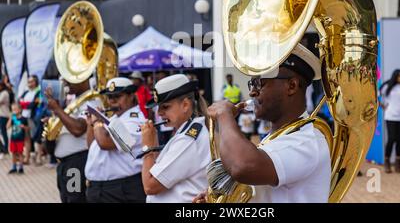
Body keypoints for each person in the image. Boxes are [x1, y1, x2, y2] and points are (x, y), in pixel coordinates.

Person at [196, 43, 330, 203]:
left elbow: (243, 166)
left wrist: (225, 115)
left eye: (260, 83)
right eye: (252, 84)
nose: (252, 92)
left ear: (291, 86)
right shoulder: (279, 136)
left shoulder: (306, 141)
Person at [141, 74, 211, 203]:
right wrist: (153, 144)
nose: (159, 113)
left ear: (185, 105)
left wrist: (147, 149)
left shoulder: (188, 139)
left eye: (165, 107)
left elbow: (150, 186)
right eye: (158, 107)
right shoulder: (185, 131)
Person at [84, 77, 146, 203]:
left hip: (120, 190)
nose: (113, 101)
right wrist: (91, 124)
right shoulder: (114, 119)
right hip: (101, 189)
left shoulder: (135, 121)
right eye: (110, 97)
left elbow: (105, 143)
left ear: (131, 96)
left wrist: (97, 122)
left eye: (118, 96)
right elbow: (92, 145)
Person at [44, 78, 101, 203]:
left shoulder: (91, 102)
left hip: (75, 164)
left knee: (75, 199)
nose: (66, 83)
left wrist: (57, 109)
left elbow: (78, 129)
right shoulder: (75, 102)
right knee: (66, 198)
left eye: (71, 79)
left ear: (84, 79)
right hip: (65, 165)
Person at [19, 75, 45, 165]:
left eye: (31, 81)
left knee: (37, 137)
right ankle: (27, 157)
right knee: (26, 138)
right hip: (24, 116)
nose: (29, 83)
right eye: (28, 81)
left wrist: (25, 104)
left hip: (34, 117)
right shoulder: (26, 92)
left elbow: (34, 104)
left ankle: (39, 158)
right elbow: (20, 102)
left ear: (35, 82)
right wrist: (26, 104)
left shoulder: (39, 92)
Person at [7, 103, 28, 174]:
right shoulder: (13, 119)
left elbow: (28, 128)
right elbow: (7, 127)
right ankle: (14, 167)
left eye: (15, 109)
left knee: (20, 153)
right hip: (13, 139)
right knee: (13, 153)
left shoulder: (23, 119)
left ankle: (21, 167)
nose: (14, 111)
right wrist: (10, 118)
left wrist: (23, 127)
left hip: (20, 140)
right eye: (12, 110)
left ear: (20, 110)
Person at [0, 81, 11, 159]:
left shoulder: (4, 93)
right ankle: (4, 149)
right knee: (2, 133)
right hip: (1, 115)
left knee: (3, 133)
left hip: (4, 115)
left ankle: (5, 149)